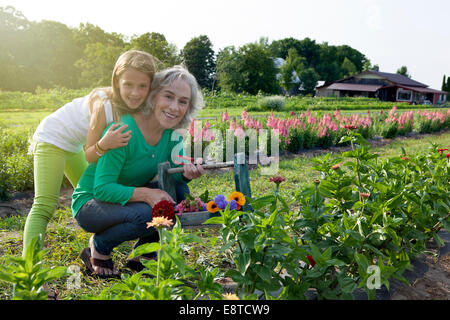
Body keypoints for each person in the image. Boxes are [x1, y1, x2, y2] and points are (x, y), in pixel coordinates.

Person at [72, 65, 205, 277]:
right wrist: (147, 194)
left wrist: (187, 173)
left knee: (178, 194)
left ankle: (143, 253)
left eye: (183, 101)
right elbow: (102, 189)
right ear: (153, 97)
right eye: (168, 97)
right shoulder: (124, 131)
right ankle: (100, 246)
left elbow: (173, 175)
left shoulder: (173, 135)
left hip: (122, 197)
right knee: (154, 211)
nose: (174, 107)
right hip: (91, 204)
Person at [23, 50, 157, 255]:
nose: (135, 92)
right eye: (128, 84)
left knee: (95, 197)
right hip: (52, 137)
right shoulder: (103, 104)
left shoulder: (137, 106)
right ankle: (29, 279)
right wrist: (105, 144)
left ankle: (98, 248)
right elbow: (90, 154)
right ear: (116, 82)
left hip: (72, 144)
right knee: (44, 206)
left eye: (142, 86)